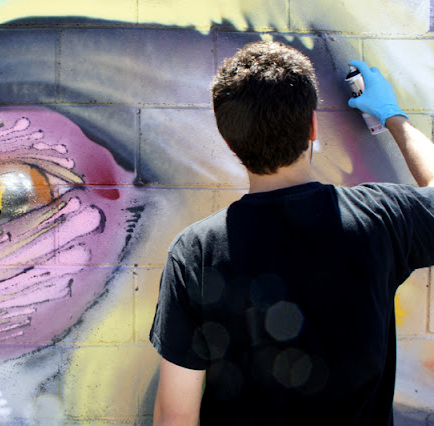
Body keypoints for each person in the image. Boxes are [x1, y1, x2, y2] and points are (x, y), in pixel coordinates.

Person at [149, 41, 434, 425]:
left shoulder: (196, 251)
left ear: (229, 141)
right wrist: (393, 116)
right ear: (313, 127)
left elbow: (175, 416)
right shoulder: (380, 217)